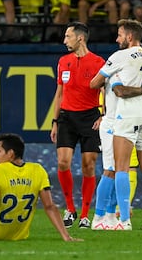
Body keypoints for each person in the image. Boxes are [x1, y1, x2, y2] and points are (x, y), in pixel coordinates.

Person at [90, 19, 142, 231]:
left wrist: (104, 77)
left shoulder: (119, 57)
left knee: (119, 168)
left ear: (129, 37)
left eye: (119, 35)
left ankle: (123, 220)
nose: (116, 39)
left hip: (125, 116)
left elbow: (94, 83)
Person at [50, 21, 105, 229]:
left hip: (90, 117)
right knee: (63, 162)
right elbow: (59, 93)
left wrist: (102, 115)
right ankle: (70, 209)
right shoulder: (63, 61)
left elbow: (104, 92)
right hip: (66, 118)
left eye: (67, 37)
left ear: (79, 38)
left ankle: (84, 214)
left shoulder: (99, 62)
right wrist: (55, 121)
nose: (65, 41)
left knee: (88, 165)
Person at [91, 73, 142, 230]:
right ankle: (99, 217)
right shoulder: (116, 71)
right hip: (115, 123)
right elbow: (100, 86)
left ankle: (112, 215)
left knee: (123, 169)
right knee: (111, 170)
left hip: (133, 122)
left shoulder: (130, 71)